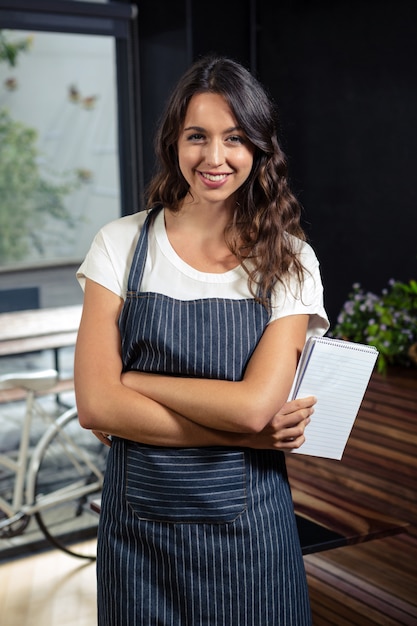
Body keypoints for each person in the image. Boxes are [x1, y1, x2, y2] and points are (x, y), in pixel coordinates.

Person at [74, 55, 329, 626]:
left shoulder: (290, 261)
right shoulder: (119, 245)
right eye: (198, 136)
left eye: (235, 138)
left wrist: (134, 384)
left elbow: (254, 407)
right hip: (138, 545)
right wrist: (252, 439)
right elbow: (94, 404)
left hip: (253, 541)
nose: (214, 158)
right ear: (175, 142)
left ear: (259, 149)